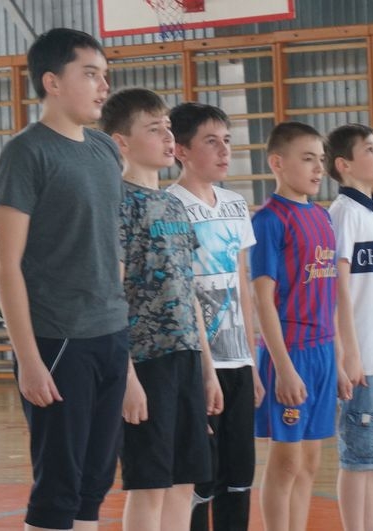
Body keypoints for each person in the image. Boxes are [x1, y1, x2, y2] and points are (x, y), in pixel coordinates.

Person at [0, 28, 129, 531]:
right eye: (90, 74)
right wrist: (29, 360)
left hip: (111, 334)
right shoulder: (26, 153)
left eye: (104, 75)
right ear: (51, 81)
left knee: (94, 486)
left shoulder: (105, 149)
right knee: (58, 489)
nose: (103, 86)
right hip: (59, 340)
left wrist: (124, 342)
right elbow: (7, 263)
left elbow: (111, 245)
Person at [99, 88, 223, 531]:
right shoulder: (117, 203)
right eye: (154, 129)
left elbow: (188, 292)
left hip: (186, 358)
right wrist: (127, 377)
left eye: (168, 128)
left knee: (184, 484)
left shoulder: (174, 204)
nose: (168, 137)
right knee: (150, 485)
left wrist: (207, 369)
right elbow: (111, 295)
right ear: (121, 142)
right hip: (145, 361)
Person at [166, 102, 265, 531]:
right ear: (181, 150)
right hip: (197, 363)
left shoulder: (235, 204)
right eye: (211, 141)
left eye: (227, 140)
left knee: (238, 477)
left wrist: (253, 363)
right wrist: (206, 370)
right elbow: (182, 293)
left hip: (238, 360)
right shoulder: (170, 207)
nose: (225, 150)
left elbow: (242, 284)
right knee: (200, 479)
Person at [250, 121, 338, 531]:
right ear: (278, 163)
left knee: (310, 461)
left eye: (320, 159)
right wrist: (283, 367)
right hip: (290, 352)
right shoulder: (269, 220)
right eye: (307, 159)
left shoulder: (322, 217)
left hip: (323, 352)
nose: (318, 168)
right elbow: (262, 300)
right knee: (286, 461)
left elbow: (331, 297)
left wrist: (339, 358)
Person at [325, 124, 373, 531]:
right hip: (363, 359)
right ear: (344, 164)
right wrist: (348, 353)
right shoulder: (343, 213)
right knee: (358, 459)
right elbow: (337, 289)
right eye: (371, 150)